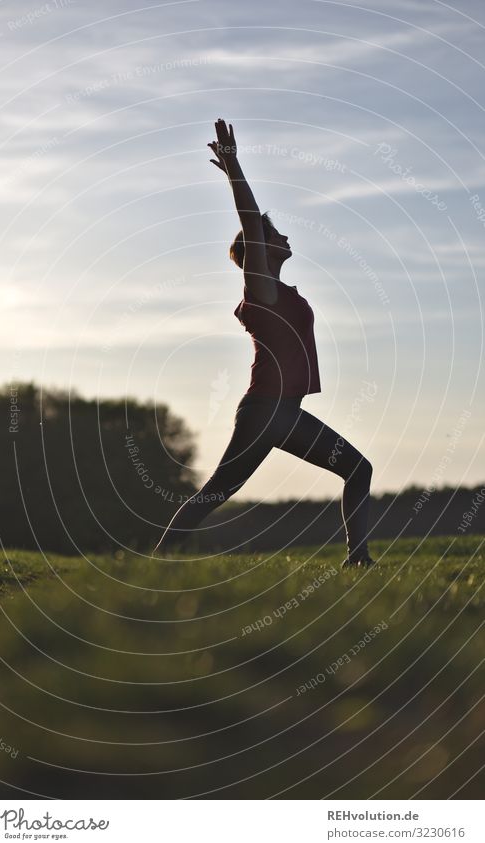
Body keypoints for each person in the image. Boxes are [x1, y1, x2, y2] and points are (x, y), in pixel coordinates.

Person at [152, 119, 374, 567]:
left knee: (356, 469)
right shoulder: (262, 291)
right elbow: (250, 221)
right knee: (217, 492)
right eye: (276, 235)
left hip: (283, 411)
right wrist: (234, 169)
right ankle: (155, 562)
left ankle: (359, 559)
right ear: (260, 250)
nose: (286, 237)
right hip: (267, 410)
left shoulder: (281, 292)